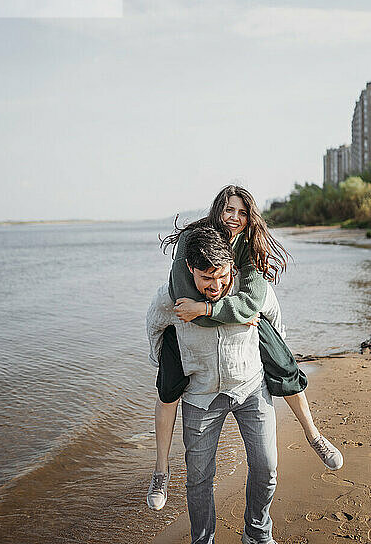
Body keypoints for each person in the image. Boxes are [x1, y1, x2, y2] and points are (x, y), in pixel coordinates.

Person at [147, 186, 343, 516]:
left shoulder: (250, 253)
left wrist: (236, 324)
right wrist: (168, 357)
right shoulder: (191, 247)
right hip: (202, 391)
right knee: (170, 400)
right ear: (216, 211)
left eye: (241, 212)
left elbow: (260, 305)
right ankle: (161, 472)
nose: (234, 218)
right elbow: (160, 317)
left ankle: (313, 437)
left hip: (248, 383)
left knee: (285, 367)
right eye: (228, 210)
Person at [147, 226, 282, 544]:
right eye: (207, 279)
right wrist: (168, 367)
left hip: (250, 388)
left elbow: (274, 318)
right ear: (190, 269)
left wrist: (265, 359)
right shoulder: (172, 296)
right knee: (198, 478)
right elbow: (154, 325)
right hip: (201, 395)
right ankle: (202, 540)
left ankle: (257, 533)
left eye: (222, 276)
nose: (217, 285)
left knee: (267, 466)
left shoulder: (248, 289)